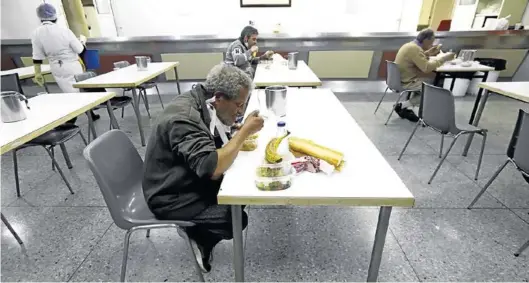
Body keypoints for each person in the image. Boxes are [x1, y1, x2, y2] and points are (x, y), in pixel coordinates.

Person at [142, 64, 264, 272]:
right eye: (238, 105)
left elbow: (209, 130)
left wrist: (231, 126)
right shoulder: (184, 119)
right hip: (169, 196)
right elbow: (212, 167)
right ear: (218, 97)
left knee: (243, 189)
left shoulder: (201, 101)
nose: (240, 111)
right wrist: (243, 132)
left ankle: (200, 229)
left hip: (181, 177)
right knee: (233, 218)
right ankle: (199, 238)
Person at [31, 3, 99, 121]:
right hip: (72, 65)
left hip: (56, 67)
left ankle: (88, 115)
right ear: (55, 16)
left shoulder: (36, 33)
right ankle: (72, 119)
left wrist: (38, 73)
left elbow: (37, 55)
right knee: (81, 92)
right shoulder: (64, 31)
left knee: (69, 93)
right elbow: (80, 49)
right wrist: (82, 41)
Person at [393, 28, 455, 122]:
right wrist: (444, 59)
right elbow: (426, 68)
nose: (431, 45)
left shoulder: (410, 45)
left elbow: (416, 58)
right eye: (431, 43)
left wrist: (428, 53)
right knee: (432, 93)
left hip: (400, 78)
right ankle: (403, 106)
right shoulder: (414, 49)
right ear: (426, 40)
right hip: (407, 81)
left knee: (428, 84)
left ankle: (403, 106)